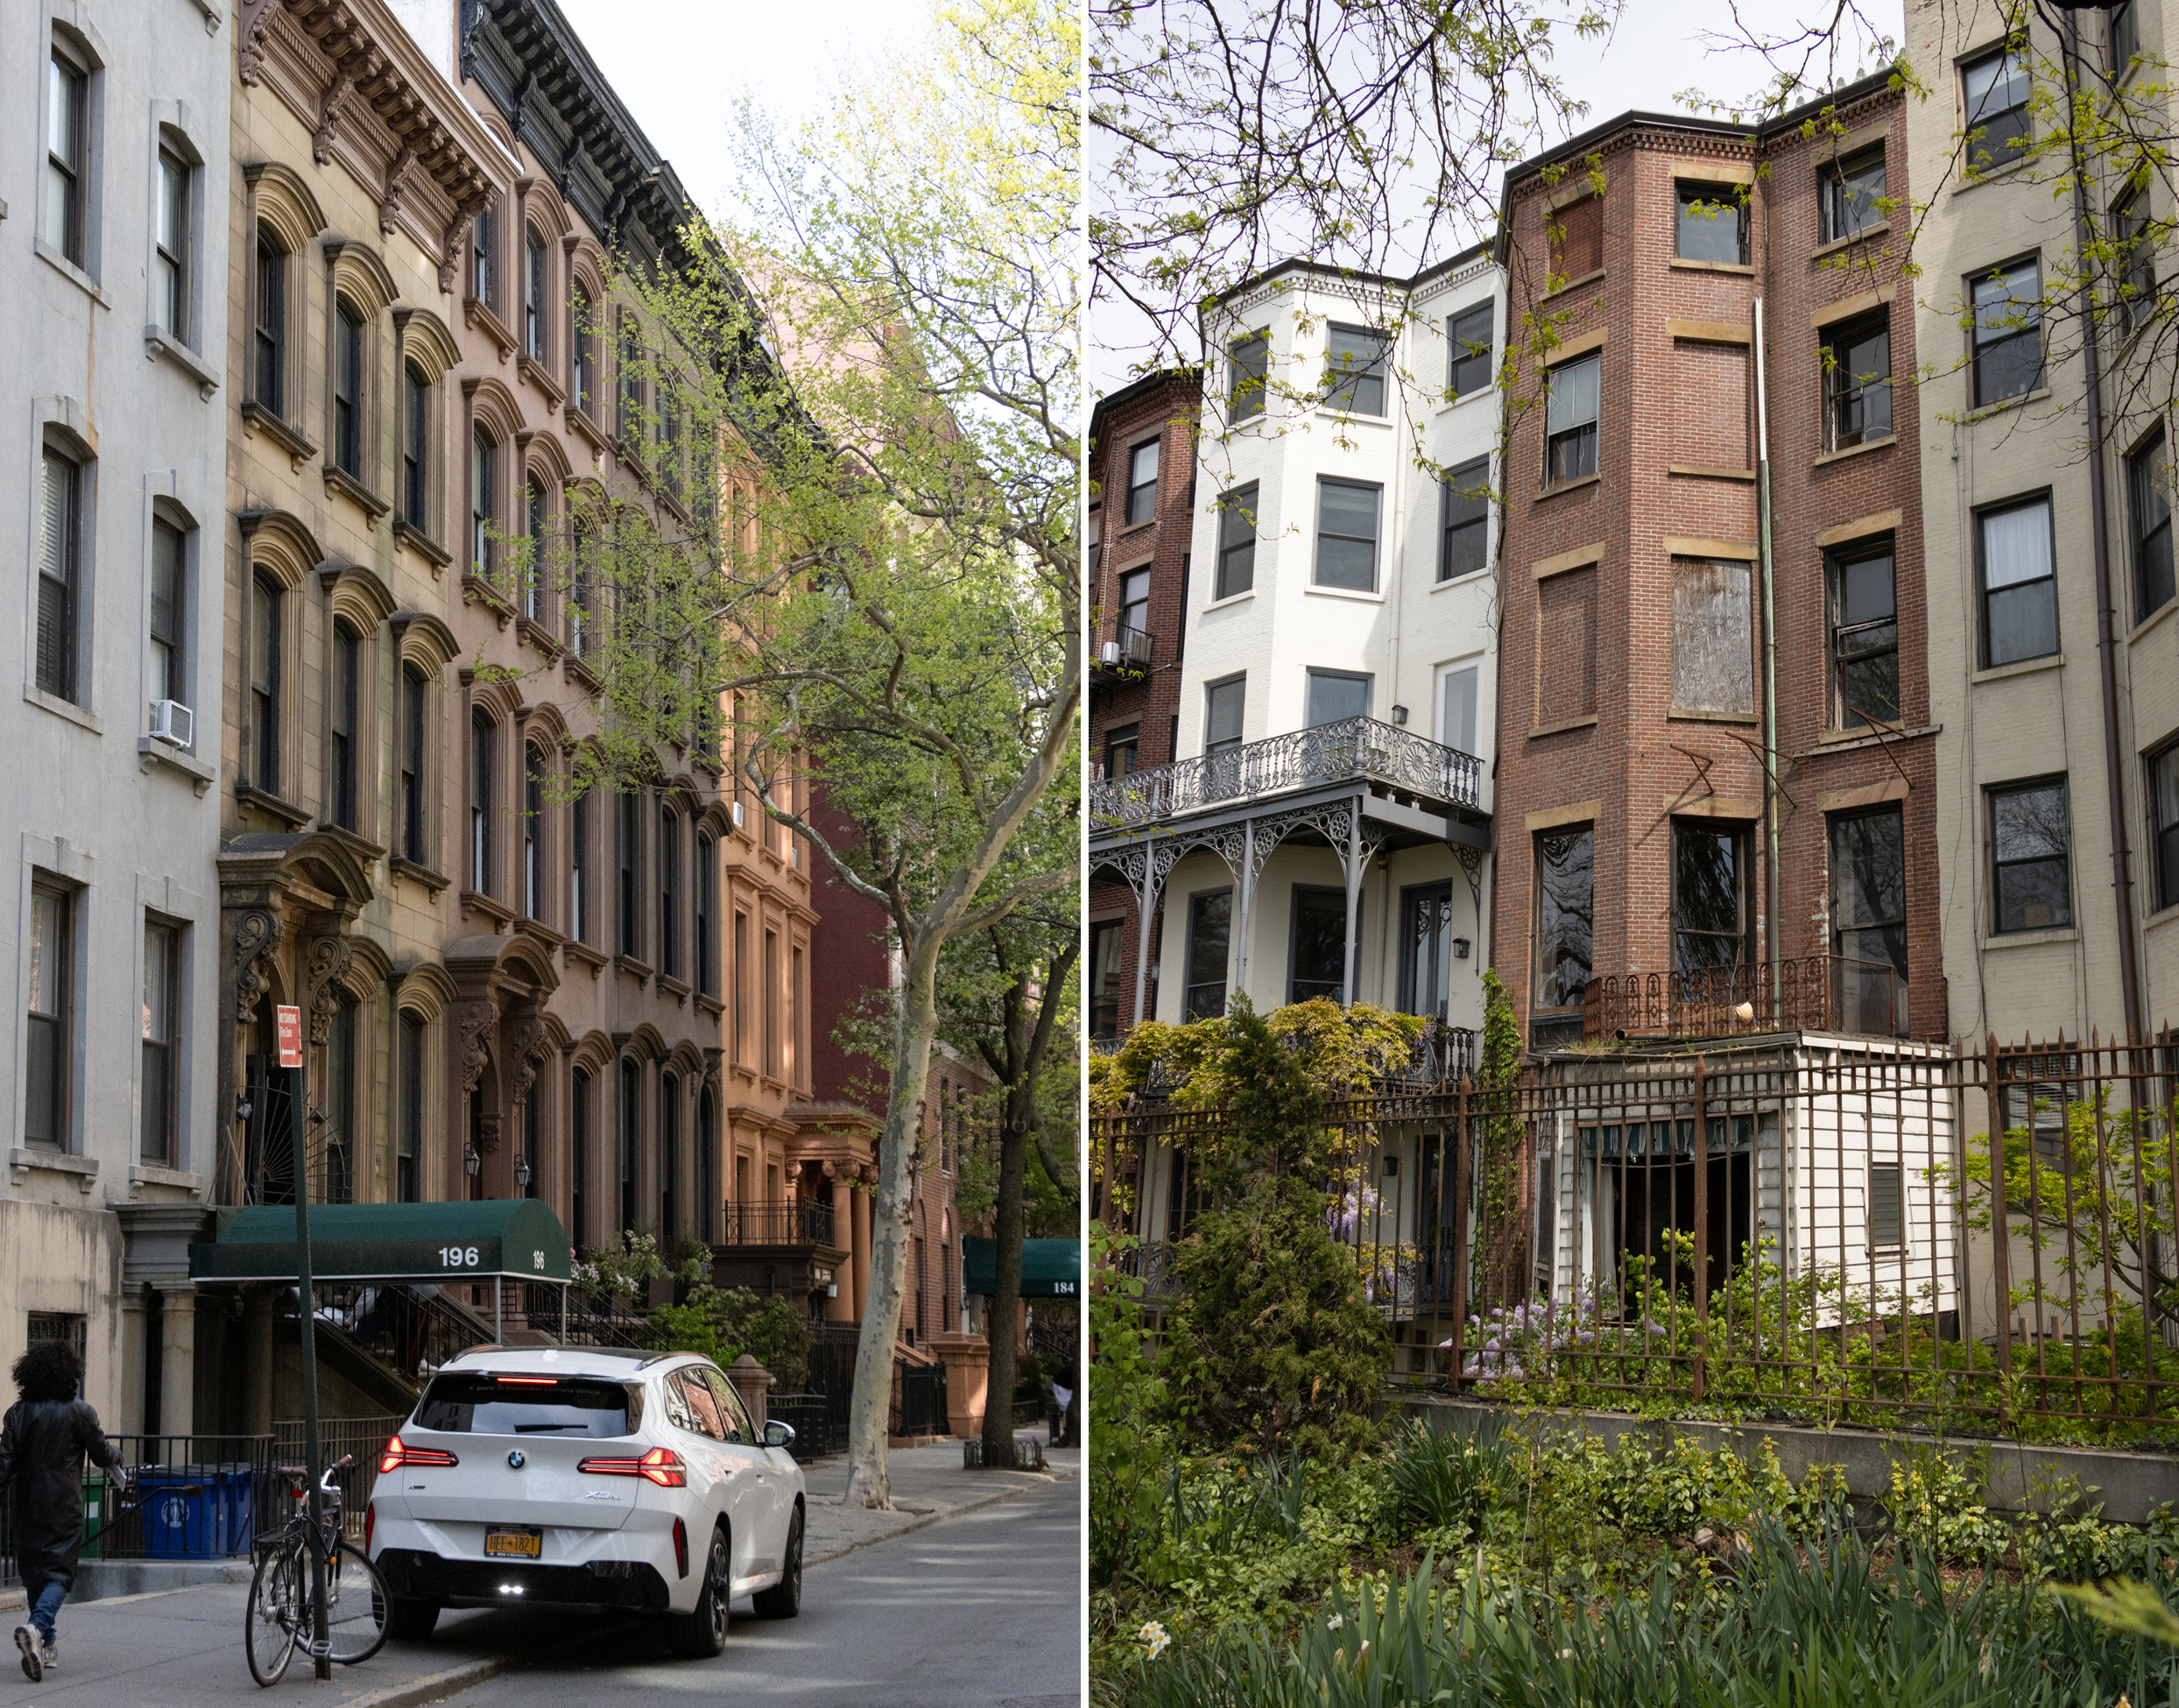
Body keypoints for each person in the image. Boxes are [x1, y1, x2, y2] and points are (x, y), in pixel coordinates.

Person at [0, 1340, 125, 1682]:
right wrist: (116, 1456)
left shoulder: (17, 1413)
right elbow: (101, 1455)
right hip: (63, 1503)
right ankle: (38, 1629)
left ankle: (48, 1646)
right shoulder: (80, 1411)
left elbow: (4, 1465)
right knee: (59, 1574)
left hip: (26, 1502)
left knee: (34, 1572)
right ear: (70, 1374)